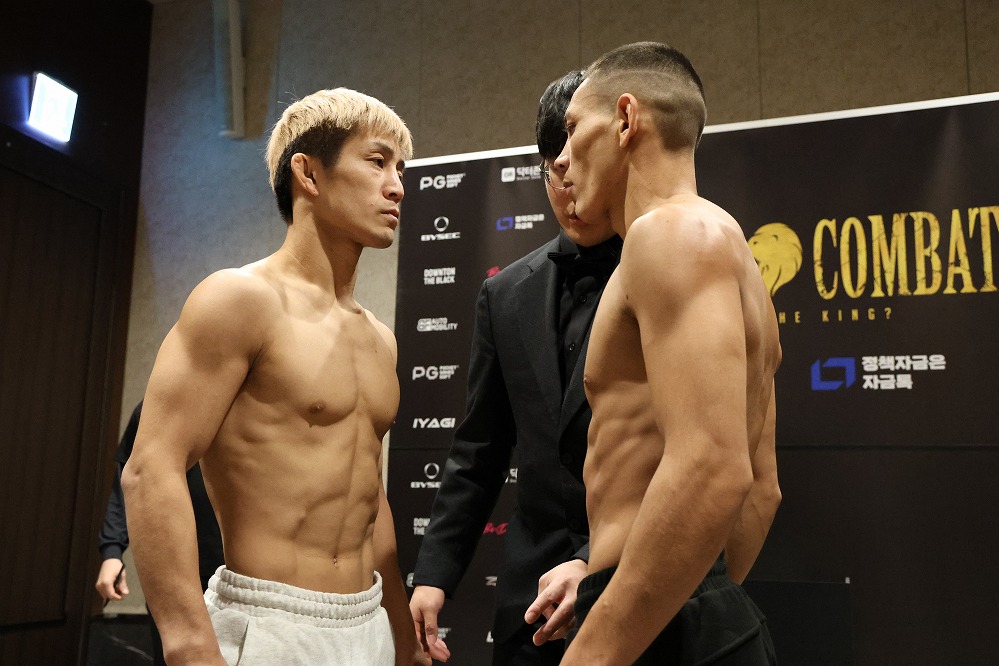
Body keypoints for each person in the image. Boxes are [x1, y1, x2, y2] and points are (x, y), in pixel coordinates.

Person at [122, 88, 427, 666]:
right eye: (377, 161)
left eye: (401, 170)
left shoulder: (379, 340)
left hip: (368, 625)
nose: (397, 187)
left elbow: (369, 497)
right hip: (269, 621)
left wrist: (401, 632)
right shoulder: (239, 300)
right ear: (308, 174)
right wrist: (188, 641)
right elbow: (150, 469)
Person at [554, 42, 782, 664]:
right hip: (679, 612)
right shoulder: (727, 251)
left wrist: (599, 648)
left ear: (626, 120)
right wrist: (687, 597)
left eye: (573, 129)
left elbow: (713, 467)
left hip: (660, 627)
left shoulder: (671, 235)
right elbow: (762, 487)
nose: (562, 157)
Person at [409, 70, 621, 665]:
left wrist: (598, 560)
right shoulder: (505, 294)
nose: (569, 193)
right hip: (530, 602)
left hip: (638, 580)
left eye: (580, 171)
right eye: (554, 174)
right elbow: (479, 448)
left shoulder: (666, 272)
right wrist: (435, 574)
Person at [95, 400, 224, 665]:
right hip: (174, 572)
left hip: (242, 572)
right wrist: (112, 551)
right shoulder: (155, 406)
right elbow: (131, 480)